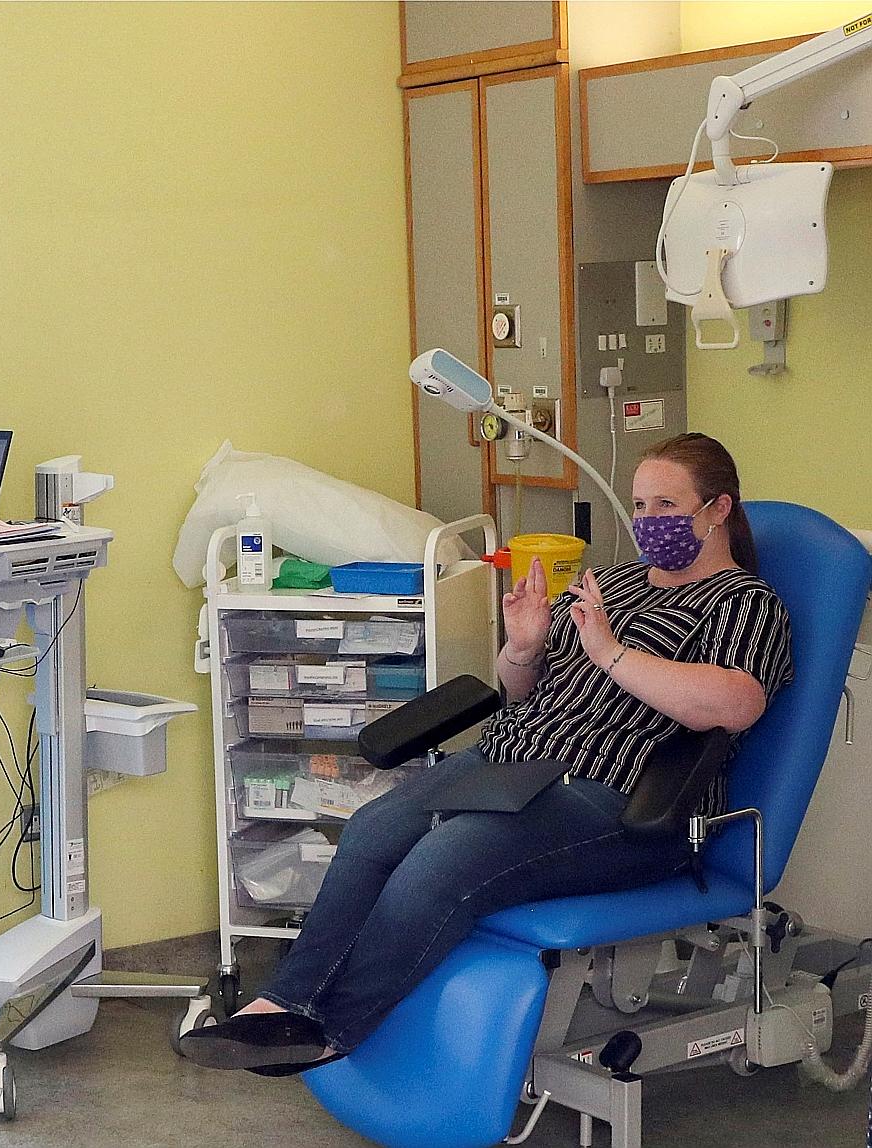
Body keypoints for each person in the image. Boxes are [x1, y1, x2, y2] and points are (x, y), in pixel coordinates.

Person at [182, 433, 793, 1074]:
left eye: (666, 506)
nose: (647, 524)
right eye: (639, 508)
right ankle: (281, 1005)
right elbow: (522, 688)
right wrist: (525, 646)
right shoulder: (611, 584)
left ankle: (333, 1030)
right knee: (373, 828)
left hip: (620, 795)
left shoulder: (747, 604)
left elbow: (733, 705)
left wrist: (613, 653)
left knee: (445, 860)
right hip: (513, 762)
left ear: (718, 510)